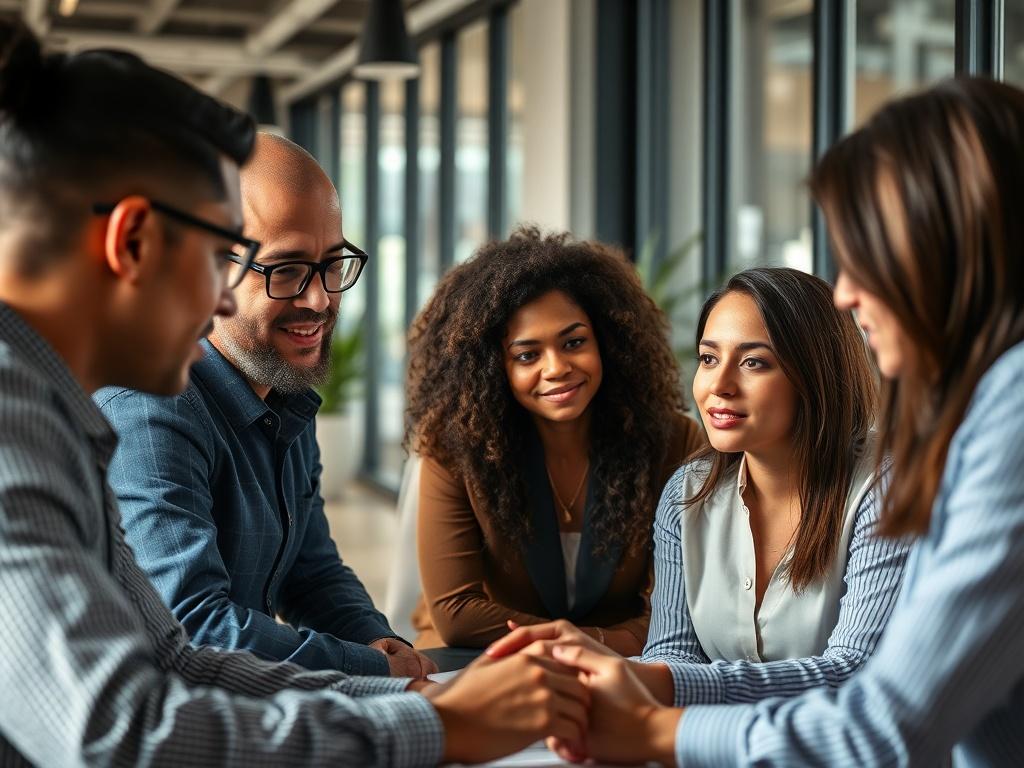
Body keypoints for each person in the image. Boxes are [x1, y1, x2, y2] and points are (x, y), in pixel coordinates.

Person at [0, 18, 588, 766]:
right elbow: (122, 732)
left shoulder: (52, 412)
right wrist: (437, 726)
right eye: (221, 257)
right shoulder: (13, 424)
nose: (219, 302)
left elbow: (177, 659)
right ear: (134, 241)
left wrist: (415, 697)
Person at [495, 77, 1024, 767]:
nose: (850, 294)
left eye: (871, 258)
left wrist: (660, 729)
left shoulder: (998, 423)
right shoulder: (692, 491)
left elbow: (883, 717)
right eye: (709, 356)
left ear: (952, 252)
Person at [97, 132, 435, 679]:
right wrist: (367, 669)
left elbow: (312, 573)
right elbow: (194, 627)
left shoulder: (284, 394)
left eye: (332, 264)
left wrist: (379, 641)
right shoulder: (151, 409)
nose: (320, 299)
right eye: (286, 270)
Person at [406, 228, 707, 654]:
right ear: (493, 367)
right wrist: (591, 642)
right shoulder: (454, 448)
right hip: (482, 658)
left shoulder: (673, 440)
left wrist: (601, 645)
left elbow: (679, 606)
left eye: (574, 342)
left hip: (622, 661)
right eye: (527, 355)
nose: (557, 368)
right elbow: (458, 613)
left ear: (607, 342)